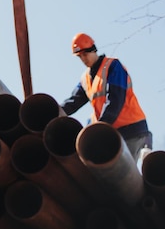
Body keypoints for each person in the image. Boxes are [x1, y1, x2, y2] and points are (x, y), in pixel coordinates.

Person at [61, 32, 152, 162]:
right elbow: (72, 102)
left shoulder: (112, 66)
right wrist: (54, 112)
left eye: (85, 54)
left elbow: (115, 100)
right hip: (112, 132)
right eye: (80, 57)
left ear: (93, 50)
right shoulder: (85, 79)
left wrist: (99, 129)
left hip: (132, 130)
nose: (83, 59)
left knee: (124, 176)